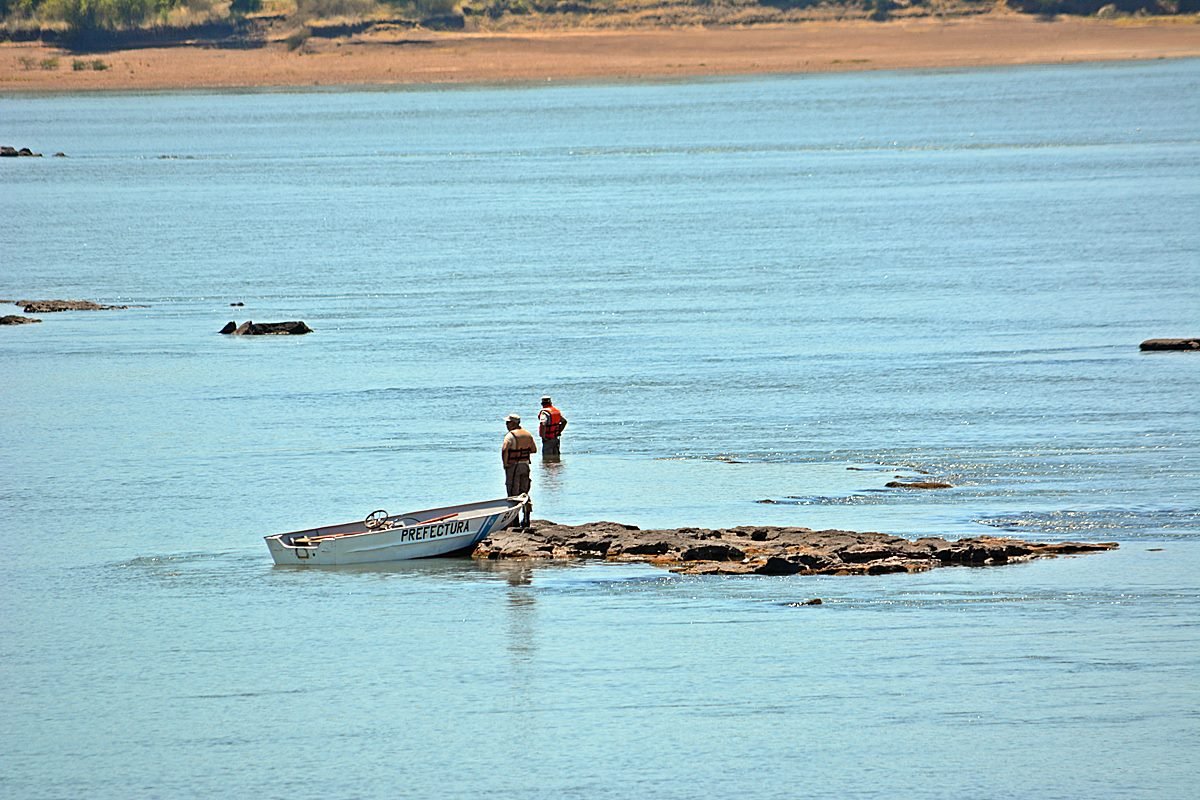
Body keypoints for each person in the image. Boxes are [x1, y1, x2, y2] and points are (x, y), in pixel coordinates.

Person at [502, 413, 536, 528]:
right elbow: (534, 449)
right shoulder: (528, 434)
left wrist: (505, 464)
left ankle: (514, 521)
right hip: (525, 466)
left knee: (513, 493)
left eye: (508, 422)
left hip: (514, 467)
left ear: (513, 423)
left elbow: (504, 449)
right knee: (525, 492)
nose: (506, 425)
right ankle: (527, 519)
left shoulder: (510, 436)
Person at [537, 395, 568, 459]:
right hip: (556, 438)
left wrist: (543, 437)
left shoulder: (544, 412)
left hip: (548, 439)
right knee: (556, 458)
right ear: (551, 402)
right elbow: (564, 421)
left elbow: (543, 424)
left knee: (547, 460)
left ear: (542, 404)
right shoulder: (556, 411)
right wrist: (559, 431)